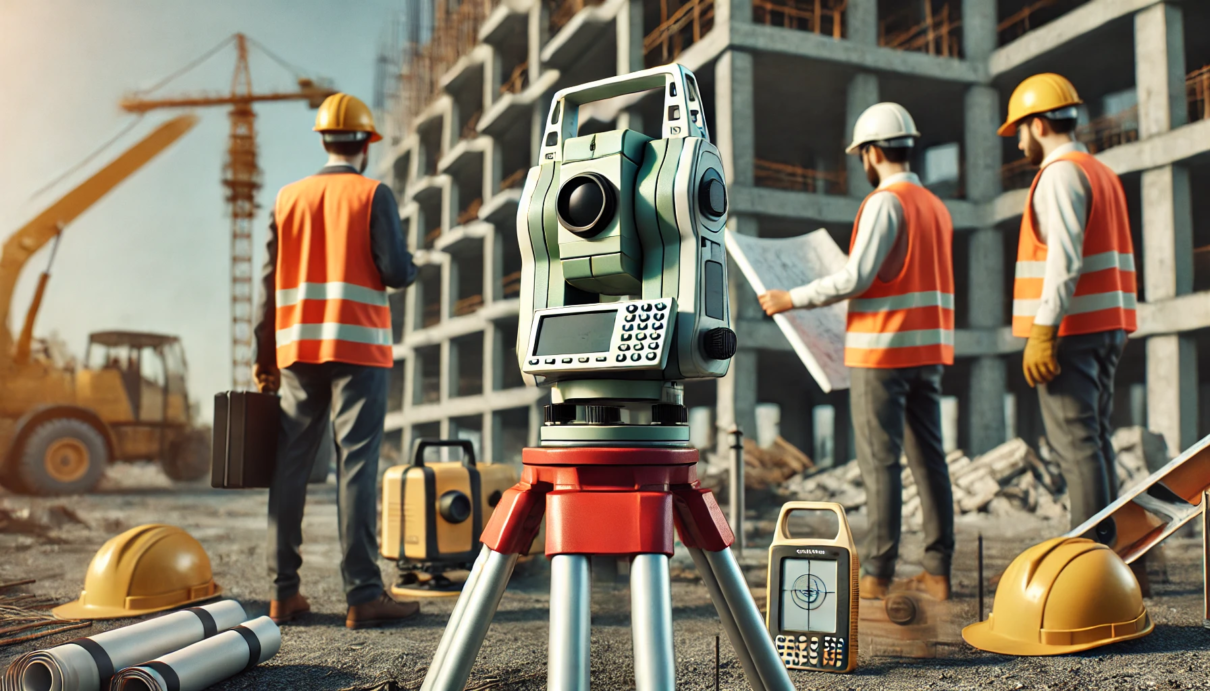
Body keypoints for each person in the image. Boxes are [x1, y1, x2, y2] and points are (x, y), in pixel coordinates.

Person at [758, 103, 955, 601]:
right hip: (927, 351)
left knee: (880, 464)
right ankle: (938, 572)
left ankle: (877, 576)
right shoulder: (935, 206)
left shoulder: (885, 203)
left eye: (861, 155)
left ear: (871, 153)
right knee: (930, 461)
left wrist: (790, 298)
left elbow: (856, 278)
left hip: (882, 353)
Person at [253, 93, 419, 629]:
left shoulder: (287, 198)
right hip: (359, 348)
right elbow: (396, 272)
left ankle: (283, 594)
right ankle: (364, 595)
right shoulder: (373, 194)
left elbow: (268, 285)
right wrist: (413, 263)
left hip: (297, 349)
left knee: (291, 465)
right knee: (357, 463)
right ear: (366, 144)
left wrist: (263, 354)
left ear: (323, 139)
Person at [999, 74, 1136, 532]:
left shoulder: (1058, 174)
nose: (1019, 143)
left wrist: (1043, 330)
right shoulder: (1102, 173)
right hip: (1107, 327)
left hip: (1070, 333)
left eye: (1020, 130)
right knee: (1094, 440)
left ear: (1039, 125)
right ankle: (1110, 547)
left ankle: (1090, 553)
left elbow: (1065, 259)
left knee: (1076, 446)